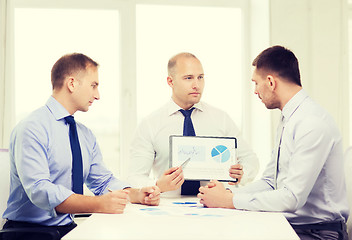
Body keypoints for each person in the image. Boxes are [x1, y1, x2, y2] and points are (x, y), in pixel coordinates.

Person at [2, 53, 160, 239]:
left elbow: (102, 181)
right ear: (72, 84)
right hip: (28, 233)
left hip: (67, 228)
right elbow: (40, 190)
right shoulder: (32, 128)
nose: (98, 95)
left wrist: (137, 194)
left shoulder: (84, 135)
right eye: (94, 85)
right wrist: (98, 204)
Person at [197, 46, 349, 239]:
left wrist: (230, 200)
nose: (255, 91)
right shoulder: (290, 118)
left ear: (270, 82)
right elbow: (271, 182)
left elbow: (292, 198)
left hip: (319, 232)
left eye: (256, 83)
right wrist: (226, 193)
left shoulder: (311, 123)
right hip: (294, 225)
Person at [127, 52, 259, 196]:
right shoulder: (150, 124)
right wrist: (158, 185)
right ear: (170, 81)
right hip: (167, 210)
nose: (197, 85)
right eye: (188, 78)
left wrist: (241, 174)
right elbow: (134, 177)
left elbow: (250, 160)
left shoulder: (221, 119)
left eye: (200, 77)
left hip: (216, 208)